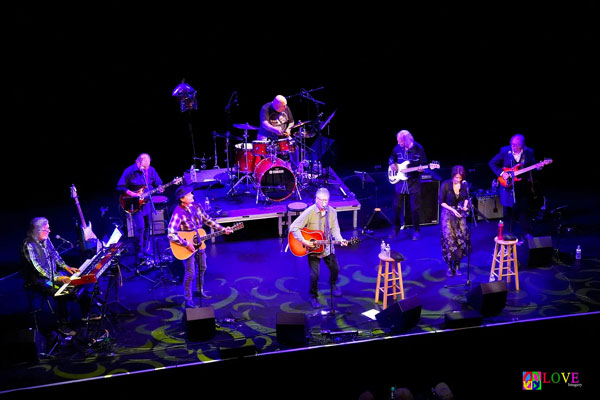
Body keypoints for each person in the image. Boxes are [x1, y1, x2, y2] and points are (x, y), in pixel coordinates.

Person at [21, 217, 93, 335]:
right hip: (40, 280)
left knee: (78, 281)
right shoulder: (28, 245)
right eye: (46, 229)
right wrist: (57, 278)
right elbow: (38, 269)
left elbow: (55, 254)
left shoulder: (45, 239)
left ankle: (88, 314)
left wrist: (66, 267)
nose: (49, 231)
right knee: (60, 291)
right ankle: (63, 325)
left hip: (53, 275)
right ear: (37, 230)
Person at [167, 185, 233, 308]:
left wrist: (223, 229)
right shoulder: (178, 212)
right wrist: (187, 244)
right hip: (187, 247)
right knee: (190, 273)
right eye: (189, 194)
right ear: (182, 198)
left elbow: (208, 220)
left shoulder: (197, 206)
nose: (192, 195)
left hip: (200, 244)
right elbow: (171, 234)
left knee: (203, 268)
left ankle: (199, 289)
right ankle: (188, 298)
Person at [289, 187, 348, 308]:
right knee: (314, 275)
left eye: (326, 200)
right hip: (313, 249)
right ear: (316, 199)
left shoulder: (332, 212)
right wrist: (304, 241)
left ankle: (333, 284)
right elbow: (293, 227)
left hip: (327, 247)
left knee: (335, 269)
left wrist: (340, 239)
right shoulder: (309, 211)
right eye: (321, 200)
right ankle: (314, 296)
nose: (323, 203)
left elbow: (335, 229)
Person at [489, 133, 536, 243]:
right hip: (507, 186)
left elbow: (532, 168)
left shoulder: (529, 152)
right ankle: (507, 234)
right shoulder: (505, 150)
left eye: (515, 145)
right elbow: (492, 163)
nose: (512, 147)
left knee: (524, 210)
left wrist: (537, 168)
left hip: (522, 186)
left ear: (522, 146)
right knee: (508, 212)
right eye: (511, 144)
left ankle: (526, 233)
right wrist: (501, 173)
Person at [117, 153, 163, 262]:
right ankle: (139, 251)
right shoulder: (129, 171)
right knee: (140, 227)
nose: (146, 169)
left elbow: (158, 182)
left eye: (147, 167)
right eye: (144, 167)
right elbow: (120, 186)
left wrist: (160, 187)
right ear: (138, 162)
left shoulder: (151, 170)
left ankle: (146, 248)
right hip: (134, 203)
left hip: (147, 203)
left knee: (148, 226)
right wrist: (132, 194)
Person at [388, 130, 428, 240]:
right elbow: (391, 158)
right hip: (400, 183)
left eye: (400, 141)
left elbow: (424, 164)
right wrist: (391, 163)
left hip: (413, 182)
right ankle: (395, 229)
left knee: (415, 209)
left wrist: (420, 170)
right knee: (396, 207)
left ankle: (416, 230)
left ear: (406, 140)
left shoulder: (419, 149)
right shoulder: (397, 148)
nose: (398, 143)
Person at [439, 165, 471, 276]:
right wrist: (452, 210)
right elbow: (441, 202)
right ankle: (449, 266)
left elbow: (466, 198)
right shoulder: (446, 184)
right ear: (452, 176)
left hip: (460, 214)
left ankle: (457, 265)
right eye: (456, 177)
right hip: (448, 214)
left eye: (460, 178)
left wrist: (465, 206)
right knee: (449, 239)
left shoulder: (464, 185)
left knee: (460, 239)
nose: (458, 180)